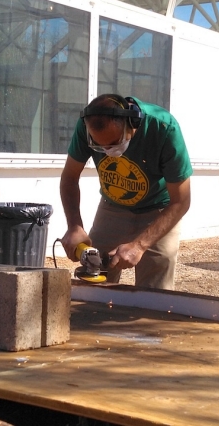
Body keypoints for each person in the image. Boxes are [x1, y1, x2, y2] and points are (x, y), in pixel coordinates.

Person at [59, 94, 192, 290]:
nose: (107, 149)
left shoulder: (164, 128)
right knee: (93, 271)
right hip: (112, 206)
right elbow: (69, 178)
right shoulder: (86, 126)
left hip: (159, 209)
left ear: (133, 123)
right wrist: (74, 226)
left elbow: (181, 201)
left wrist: (139, 245)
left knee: (156, 293)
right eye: (100, 145)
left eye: (114, 142)